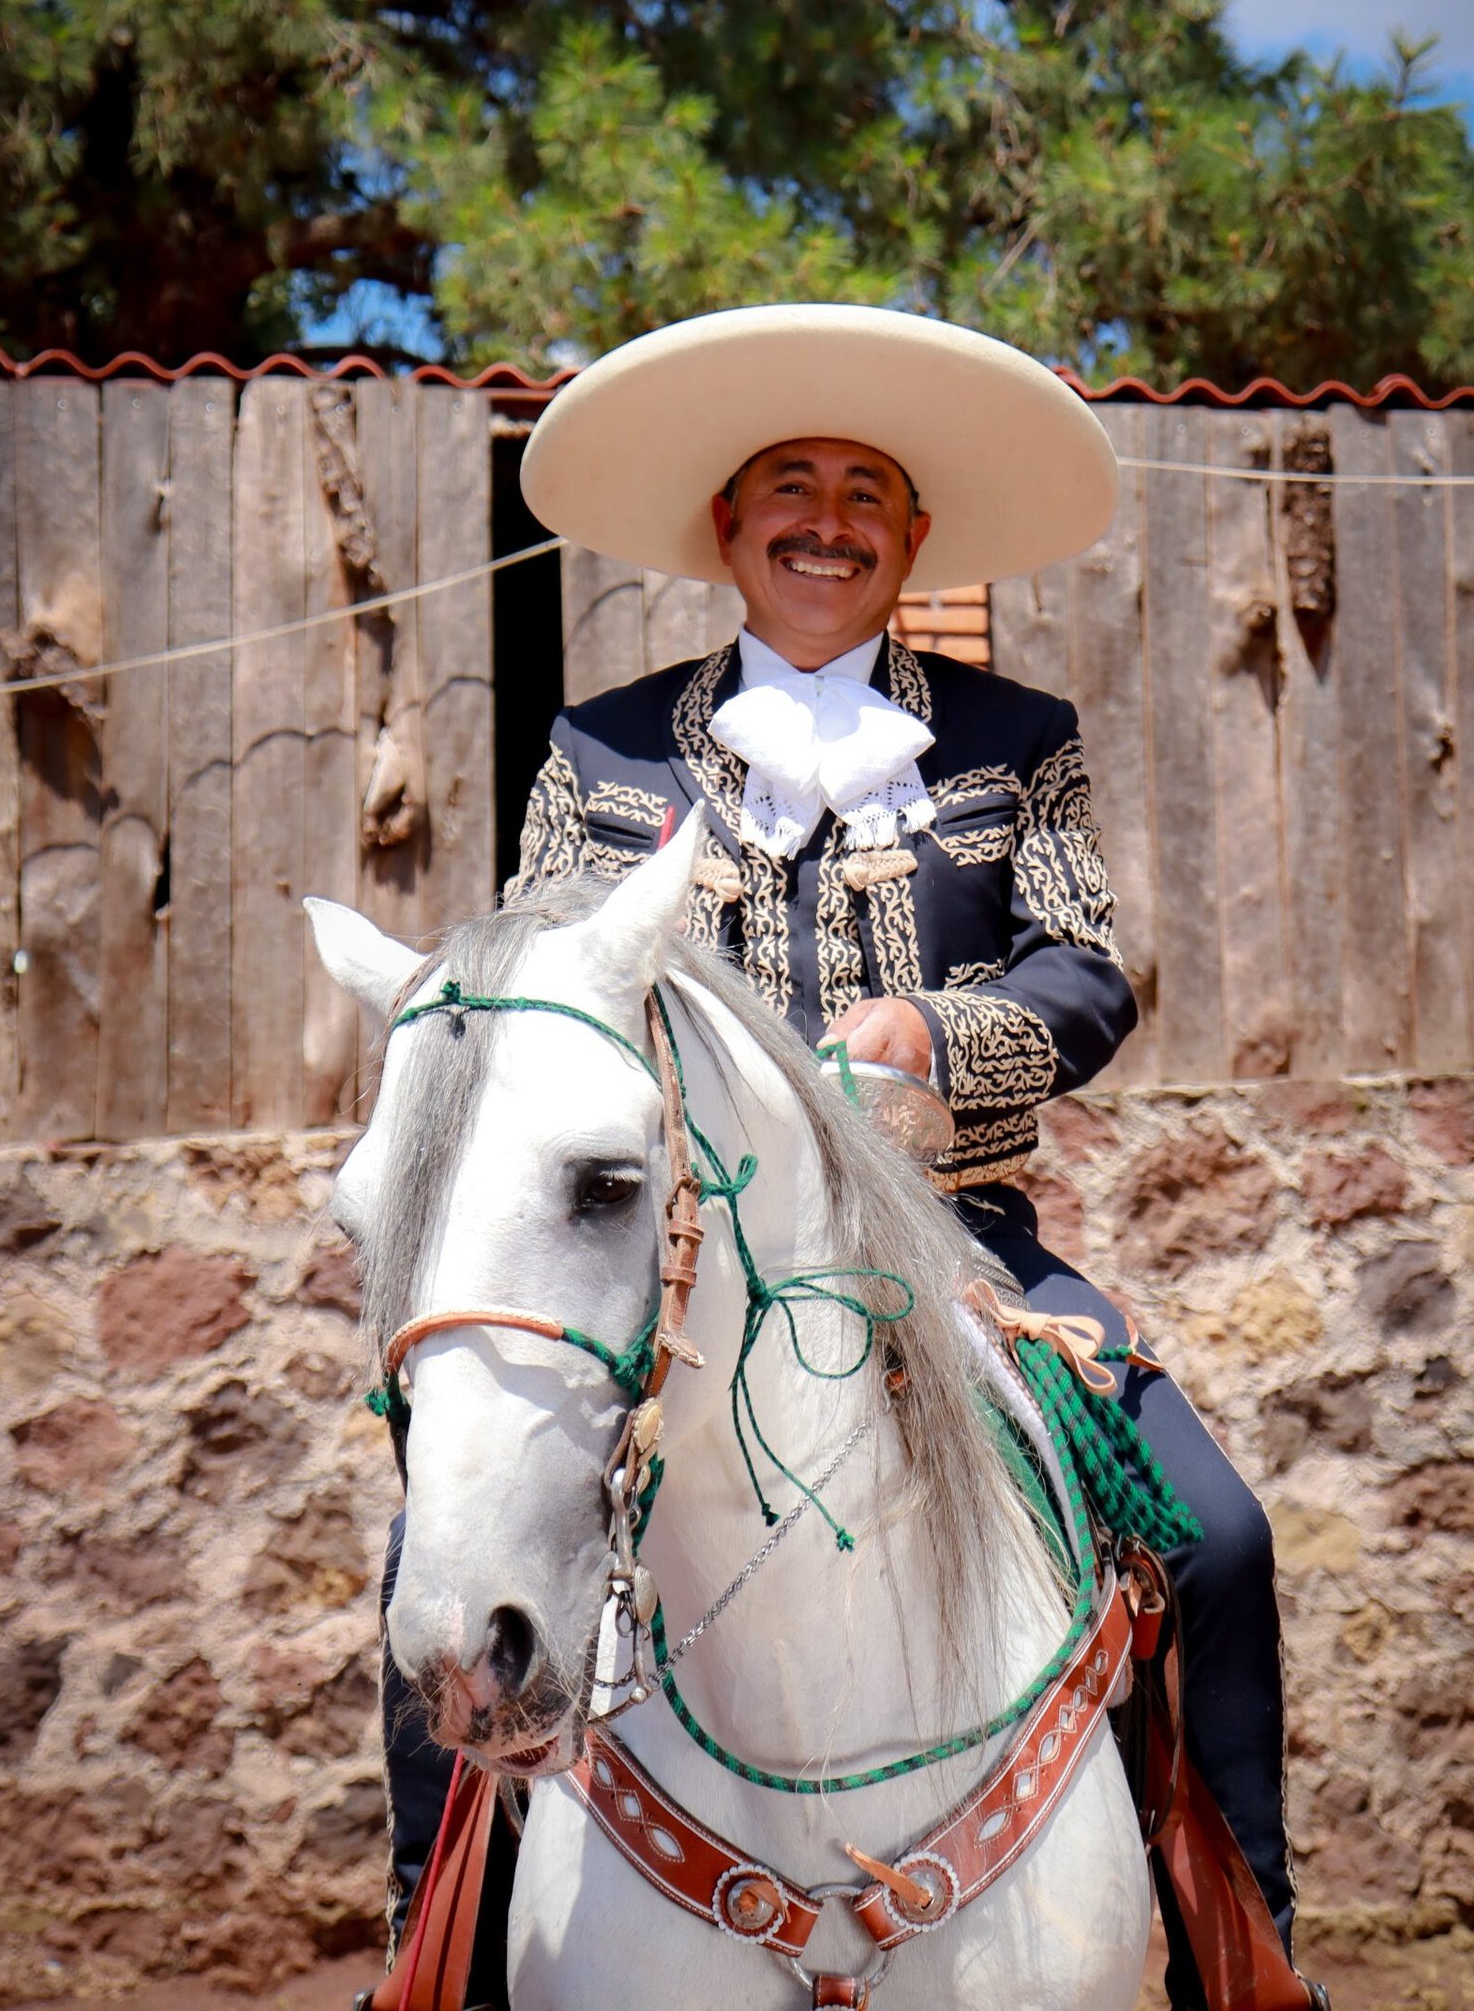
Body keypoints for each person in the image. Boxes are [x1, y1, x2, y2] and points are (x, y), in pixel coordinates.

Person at [379, 304, 1314, 2010]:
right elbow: (540, 1000)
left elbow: (1090, 971)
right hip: (680, 1263)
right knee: (445, 1577)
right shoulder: (596, 755)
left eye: (866, 489)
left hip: (963, 1249)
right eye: (788, 486)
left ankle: (1243, 1954)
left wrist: (935, 1042)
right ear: (727, 529)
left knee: (1221, 1539)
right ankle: (426, 1963)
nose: (829, 517)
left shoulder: (1014, 735)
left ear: (916, 536)